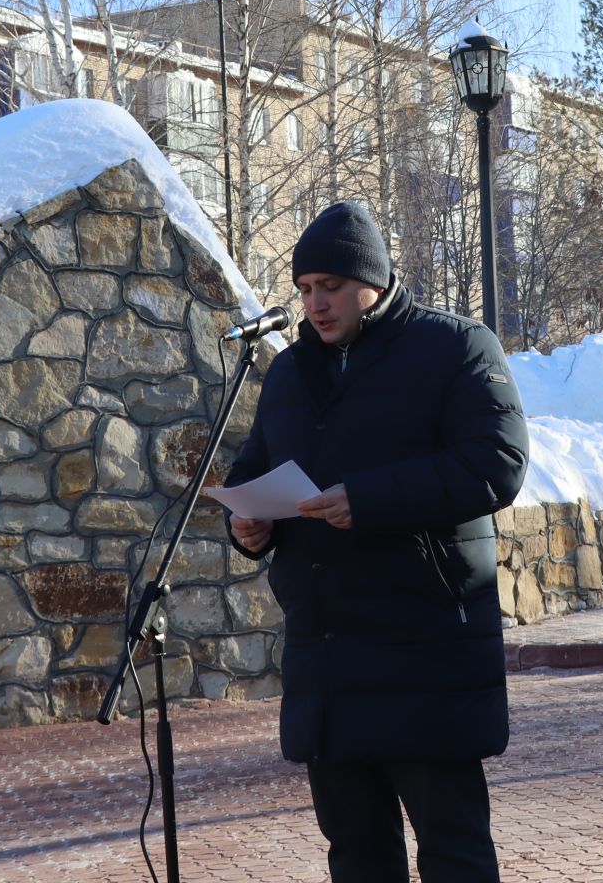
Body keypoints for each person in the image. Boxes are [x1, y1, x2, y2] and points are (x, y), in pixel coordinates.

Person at [223, 201, 529, 882]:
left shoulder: (455, 347)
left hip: (424, 651)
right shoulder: (290, 373)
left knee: (453, 854)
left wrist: (368, 499)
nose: (316, 303)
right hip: (329, 658)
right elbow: (255, 471)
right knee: (358, 859)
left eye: (329, 286)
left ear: (374, 280)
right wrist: (249, 523)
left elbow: (497, 463)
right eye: (305, 289)